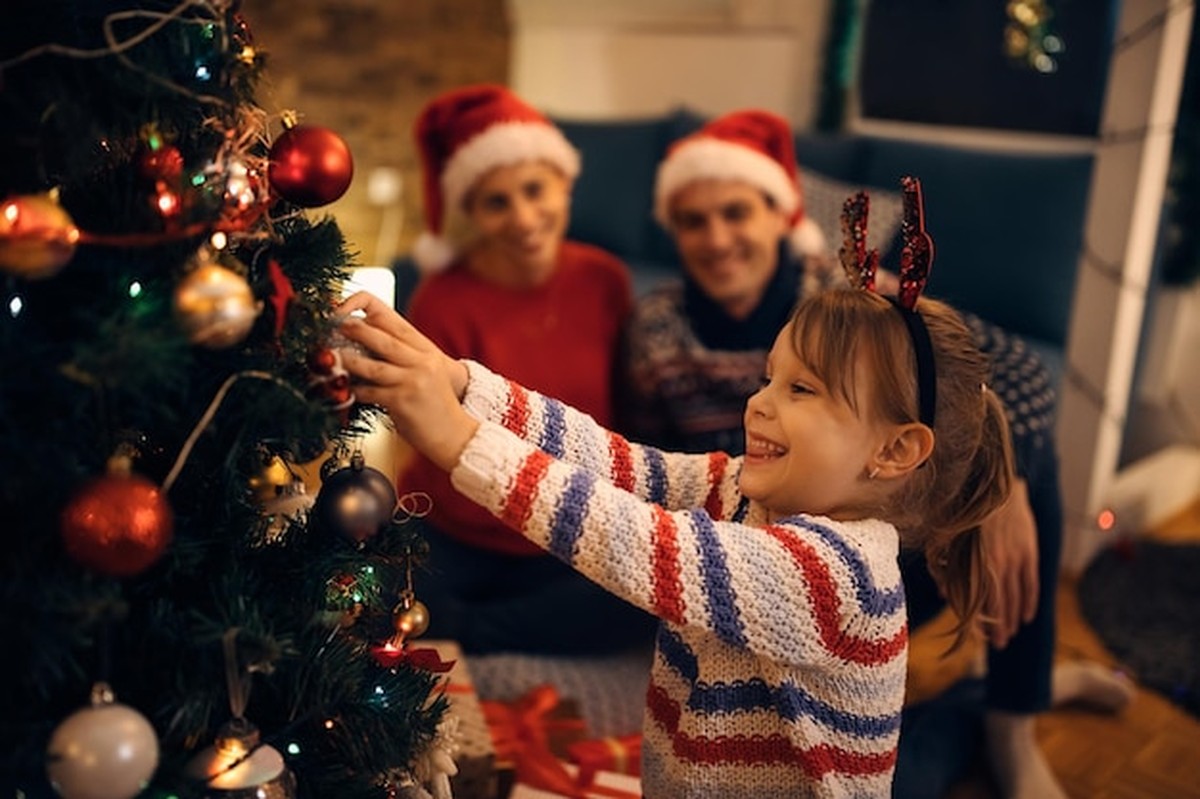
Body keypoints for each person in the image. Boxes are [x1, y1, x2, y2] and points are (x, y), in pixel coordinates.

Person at [334, 273, 1015, 797]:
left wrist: (457, 440)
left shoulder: (840, 574)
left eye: (802, 390)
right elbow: (623, 467)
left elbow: (640, 540)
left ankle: (968, 722)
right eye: (769, 378)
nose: (759, 402)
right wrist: (460, 383)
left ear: (894, 450)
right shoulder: (748, 491)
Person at [619, 109, 1133, 798]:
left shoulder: (848, 303)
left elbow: (1008, 369)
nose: (715, 238)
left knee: (1022, 454)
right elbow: (651, 462)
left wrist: (1004, 481)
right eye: (692, 221)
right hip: (750, 559)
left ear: (779, 213)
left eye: (735, 212)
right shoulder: (656, 328)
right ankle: (981, 706)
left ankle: (1014, 721)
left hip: (875, 557)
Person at [397, 83, 655, 655]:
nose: (523, 218)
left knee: (642, 602)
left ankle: (468, 630)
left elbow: (626, 413)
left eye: (535, 190)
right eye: (496, 203)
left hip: (565, 532)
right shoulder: (441, 299)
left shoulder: (605, 280)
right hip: (457, 530)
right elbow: (432, 437)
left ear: (564, 183)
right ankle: (488, 624)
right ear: (471, 214)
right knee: (381, 588)